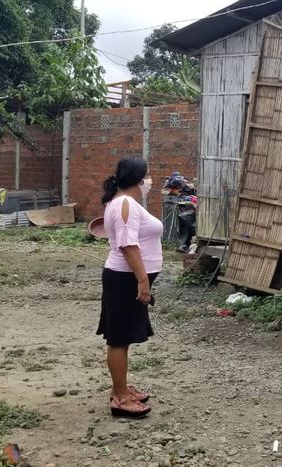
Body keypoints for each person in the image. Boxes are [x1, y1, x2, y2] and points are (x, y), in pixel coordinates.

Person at [97, 157, 163, 418]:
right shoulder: (125, 203)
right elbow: (127, 245)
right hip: (125, 279)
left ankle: (121, 388)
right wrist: (143, 281)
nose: (149, 180)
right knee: (119, 339)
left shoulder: (124, 203)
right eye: (147, 175)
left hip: (126, 278)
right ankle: (120, 397)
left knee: (122, 336)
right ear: (138, 179)